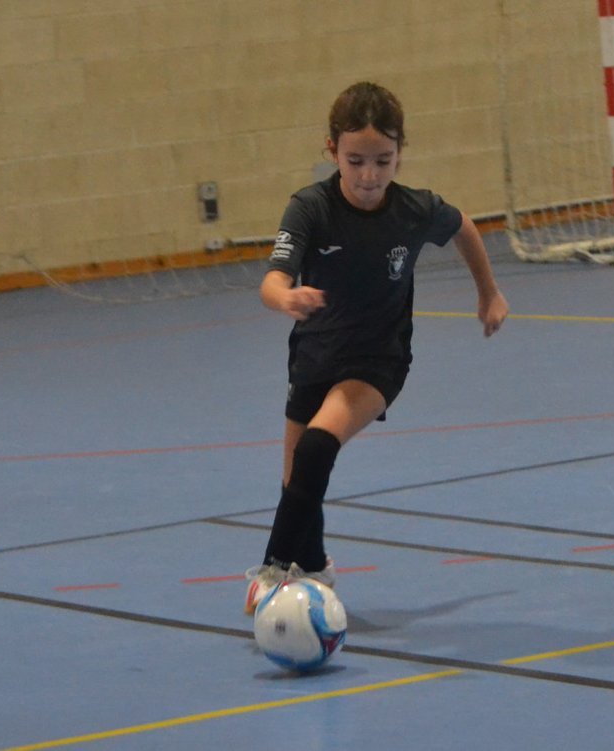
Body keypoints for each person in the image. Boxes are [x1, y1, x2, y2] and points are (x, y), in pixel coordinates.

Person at [244, 81, 510, 614]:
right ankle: (315, 568)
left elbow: (464, 227)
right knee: (298, 484)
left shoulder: (414, 210)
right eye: (356, 160)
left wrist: (490, 292)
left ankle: (272, 569)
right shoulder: (310, 208)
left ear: (400, 154)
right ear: (332, 152)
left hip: (378, 361)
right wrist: (286, 297)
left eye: (383, 161)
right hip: (314, 356)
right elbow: (272, 280)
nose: (369, 176)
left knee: (318, 449)